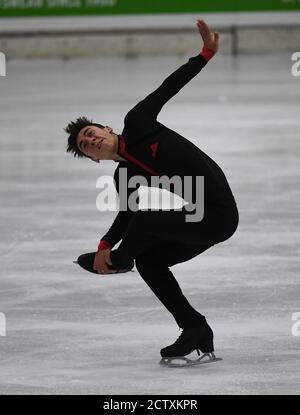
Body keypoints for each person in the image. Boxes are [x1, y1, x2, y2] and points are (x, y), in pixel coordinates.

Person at [65, 20, 239, 362]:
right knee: (148, 259)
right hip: (200, 218)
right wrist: (104, 243)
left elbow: (167, 87)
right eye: (86, 146)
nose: (91, 139)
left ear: (106, 127)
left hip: (218, 210)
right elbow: (126, 215)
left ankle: (118, 262)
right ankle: (195, 329)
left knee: (143, 227)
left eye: (90, 132)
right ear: (94, 159)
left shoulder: (139, 122)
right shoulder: (124, 174)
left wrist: (204, 55)